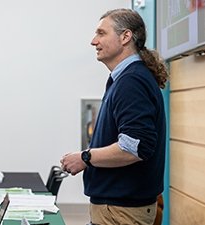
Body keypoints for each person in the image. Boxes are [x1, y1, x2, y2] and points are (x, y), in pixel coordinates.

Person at [60, 8, 168, 225]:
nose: (93, 41)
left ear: (125, 37)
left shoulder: (132, 82)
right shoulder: (125, 79)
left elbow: (134, 147)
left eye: (101, 33)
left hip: (121, 212)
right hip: (117, 209)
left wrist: (85, 157)